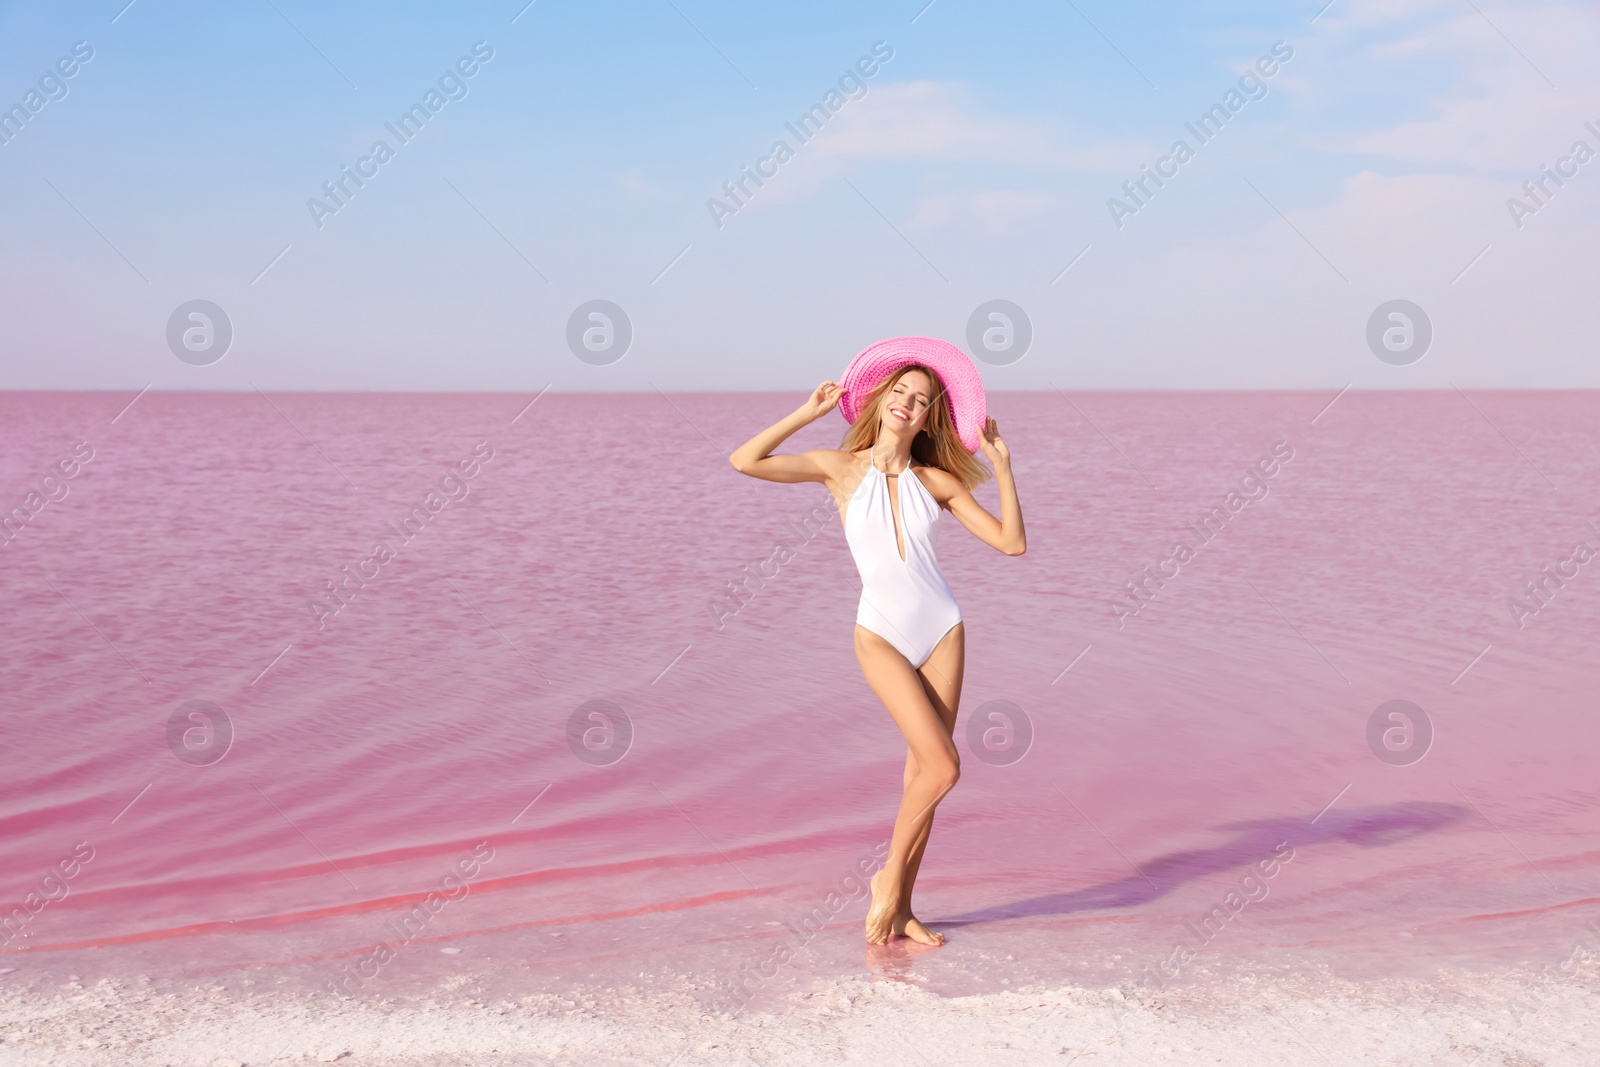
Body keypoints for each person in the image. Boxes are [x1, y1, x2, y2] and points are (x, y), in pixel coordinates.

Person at [730, 336, 1026, 945]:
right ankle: (886, 881)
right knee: (944, 767)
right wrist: (806, 413)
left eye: (920, 400)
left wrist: (1002, 468)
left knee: (924, 774)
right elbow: (744, 461)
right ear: (881, 399)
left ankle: (903, 907)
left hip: (942, 629)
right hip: (881, 634)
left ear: (928, 418)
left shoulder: (938, 481)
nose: (907, 404)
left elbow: (1010, 543)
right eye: (900, 392)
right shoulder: (839, 469)